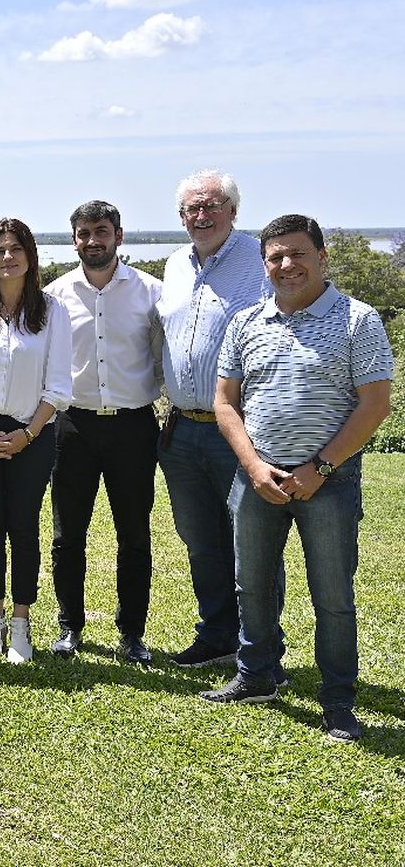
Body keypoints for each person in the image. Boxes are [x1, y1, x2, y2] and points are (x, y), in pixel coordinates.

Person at [202, 215, 393, 743]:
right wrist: (253, 467)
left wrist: (320, 469)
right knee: (253, 585)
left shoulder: (358, 320)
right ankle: (257, 673)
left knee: (332, 595)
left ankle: (337, 701)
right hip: (257, 479)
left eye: (297, 254)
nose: (286, 265)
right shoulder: (248, 321)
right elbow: (224, 402)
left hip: (327, 483)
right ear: (264, 265)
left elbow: (375, 404)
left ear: (321, 256)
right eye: (275, 257)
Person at [156, 169, 277, 669]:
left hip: (240, 430)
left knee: (252, 544)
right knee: (201, 540)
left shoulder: (260, 261)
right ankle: (218, 635)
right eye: (191, 209)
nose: (200, 216)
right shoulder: (174, 264)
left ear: (233, 210)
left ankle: (261, 648)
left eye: (210, 205)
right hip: (182, 428)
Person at [44, 202, 163, 665]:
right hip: (73, 426)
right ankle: (70, 626)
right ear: (73, 239)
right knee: (67, 535)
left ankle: (132, 633)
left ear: (119, 235)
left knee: (134, 534)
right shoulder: (54, 296)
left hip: (134, 425)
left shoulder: (150, 292)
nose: (93, 241)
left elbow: (162, 356)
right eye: (84, 233)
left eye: (102, 231)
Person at [0, 218, 71, 664]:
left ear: (29, 255)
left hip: (32, 434)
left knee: (23, 528)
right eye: (0, 249)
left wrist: (27, 434)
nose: (8, 257)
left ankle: (22, 624)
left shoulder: (51, 311)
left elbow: (59, 385)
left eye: (16, 248)